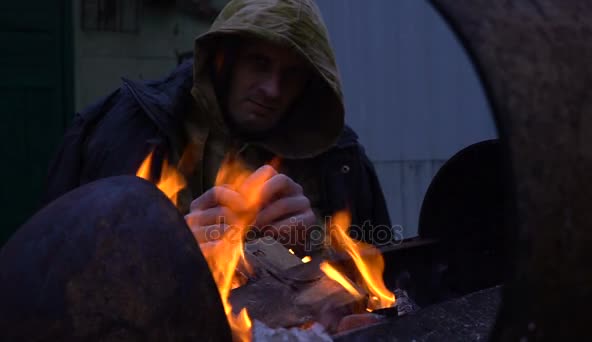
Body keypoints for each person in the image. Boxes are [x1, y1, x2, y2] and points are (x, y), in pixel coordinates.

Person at [43, 0, 391, 254]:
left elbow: (383, 286)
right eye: (259, 63)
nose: (272, 89)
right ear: (224, 60)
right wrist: (171, 246)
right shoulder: (125, 128)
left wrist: (318, 240)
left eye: (292, 74)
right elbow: (59, 265)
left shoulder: (340, 161)